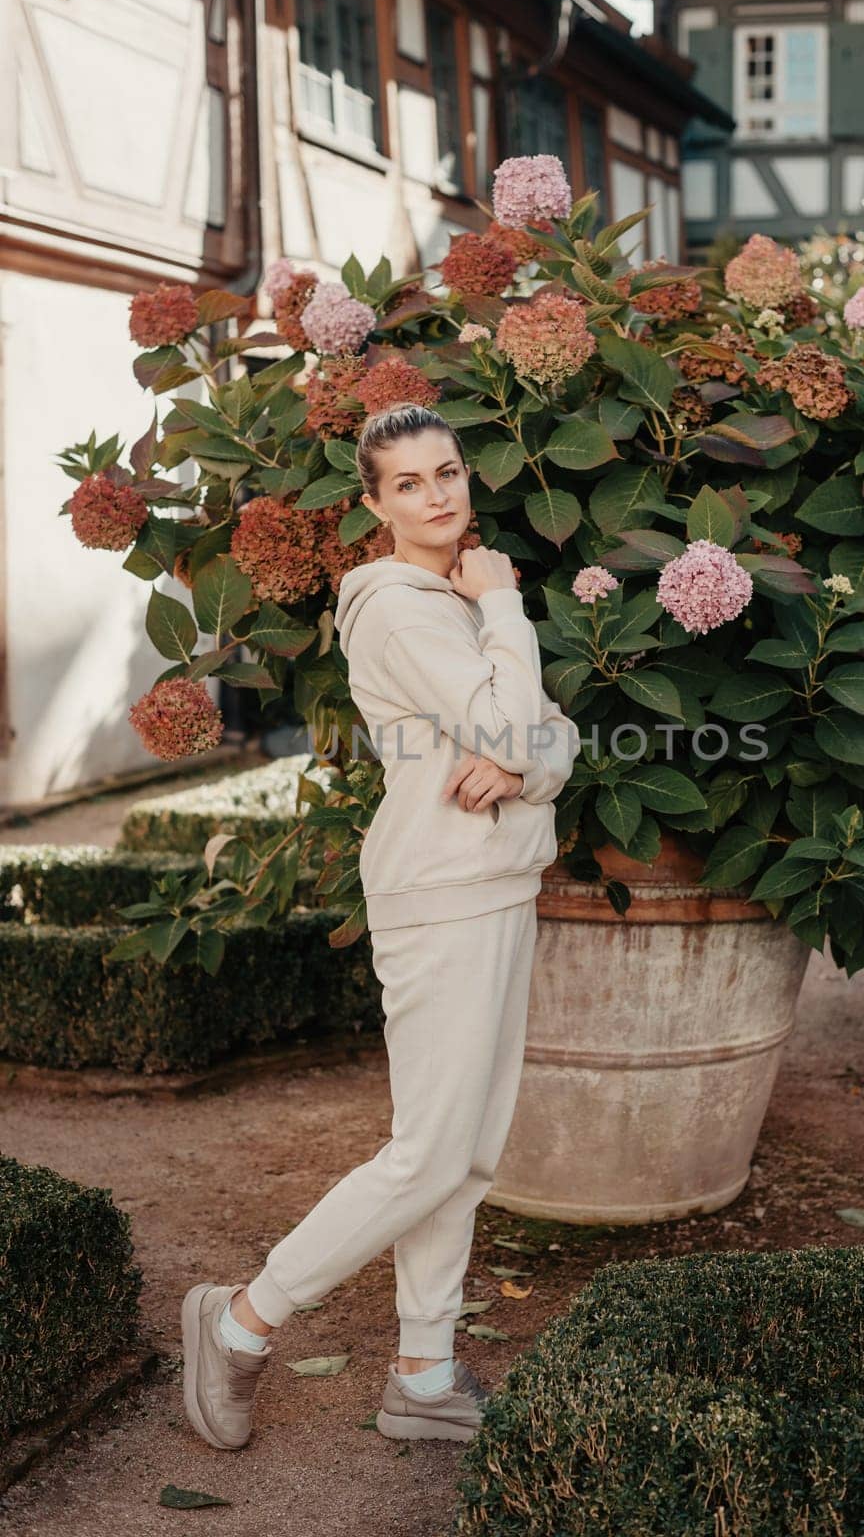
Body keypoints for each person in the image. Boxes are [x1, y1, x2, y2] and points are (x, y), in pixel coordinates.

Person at [181, 402, 580, 1450]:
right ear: (373, 503)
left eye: (447, 472)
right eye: (408, 483)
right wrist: (507, 614)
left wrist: (532, 752)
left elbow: (549, 731)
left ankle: (425, 1372)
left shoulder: (452, 599)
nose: (438, 495)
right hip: (442, 891)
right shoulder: (406, 608)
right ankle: (241, 1320)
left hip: (498, 882)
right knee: (427, 1153)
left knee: (466, 1153)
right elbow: (509, 720)